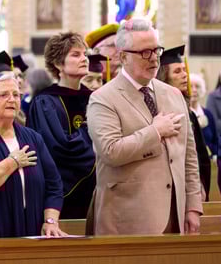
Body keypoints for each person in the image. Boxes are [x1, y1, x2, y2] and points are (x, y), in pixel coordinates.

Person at [87, 19, 203, 235]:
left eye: (156, 50)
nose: (154, 59)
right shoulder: (102, 99)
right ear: (123, 56)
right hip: (128, 219)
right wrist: (155, 131)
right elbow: (110, 151)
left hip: (174, 215)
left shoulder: (174, 94)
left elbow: (189, 156)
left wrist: (193, 206)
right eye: (144, 52)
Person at [0, 72, 66, 238]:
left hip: (34, 230)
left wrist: (50, 220)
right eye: (3, 94)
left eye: (16, 94)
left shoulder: (32, 137)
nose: (12, 99)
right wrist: (12, 162)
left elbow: (54, 184)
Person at [27, 32, 95, 219]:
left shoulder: (94, 99)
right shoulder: (45, 102)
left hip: (97, 192)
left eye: (85, 54)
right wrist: (90, 130)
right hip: (62, 196)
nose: (84, 59)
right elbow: (57, 147)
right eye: (76, 54)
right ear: (58, 64)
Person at [156, 45, 212, 200]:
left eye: (184, 69)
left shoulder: (190, 113)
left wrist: (200, 185)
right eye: (177, 71)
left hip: (191, 186)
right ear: (164, 77)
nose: (184, 75)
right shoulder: (157, 112)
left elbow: (201, 155)